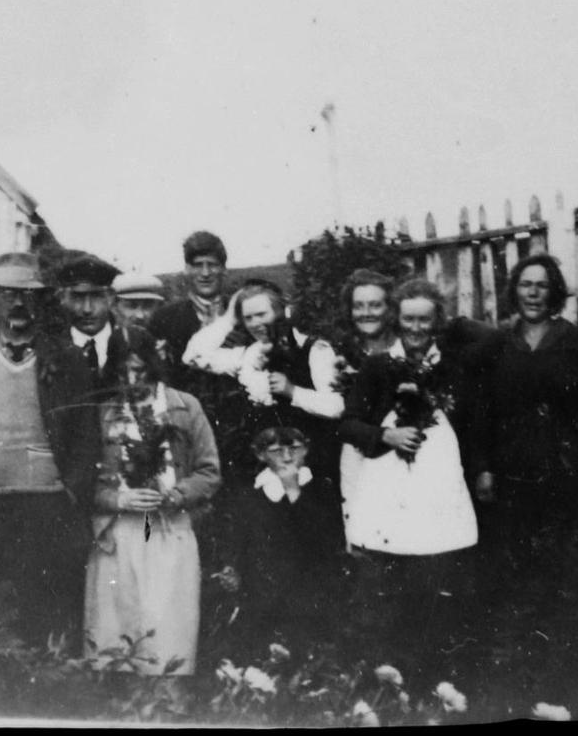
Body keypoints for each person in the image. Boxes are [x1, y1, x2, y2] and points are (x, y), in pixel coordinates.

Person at [0, 252, 103, 649]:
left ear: (40, 302)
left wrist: (70, 491)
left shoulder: (68, 358)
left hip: (42, 503)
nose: (17, 303)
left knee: (39, 604)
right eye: (7, 294)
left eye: (27, 295)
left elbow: (86, 436)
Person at [338, 278, 480, 668]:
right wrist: (386, 435)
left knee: (437, 592)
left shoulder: (453, 367)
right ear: (396, 320)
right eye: (408, 319)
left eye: (424, 320)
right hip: (389, 493)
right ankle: (388, 679)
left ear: (437, 322)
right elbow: (348, 425)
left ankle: (435, 677)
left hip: (438, 493)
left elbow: (473, 426)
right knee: (387, 599)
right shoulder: (378, 366)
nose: (416, 328)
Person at [470, 255, 578, 589]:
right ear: (515, 290)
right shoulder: (498, 344)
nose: (533, 293)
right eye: (526, 285)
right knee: (516, 562)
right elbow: (483, 411)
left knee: (564, 563)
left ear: (554, 292)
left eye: (541, 285)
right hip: (512, 466)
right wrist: (483, 467)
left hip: (565, 466)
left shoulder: (577, 343)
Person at [84, 328, 221, 676]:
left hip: (170, 531)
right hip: (118, 535)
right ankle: (118, 703)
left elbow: (209, 472)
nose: (132, 380)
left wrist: (176, 495)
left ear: (153, 365)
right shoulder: (103, 413)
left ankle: (165, 703)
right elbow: (82, 482)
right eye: (122, 372)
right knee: (116, 632)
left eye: (140, 370)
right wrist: (119, 498)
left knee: (168, 633)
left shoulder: (184, 406)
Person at [183, 280, 343, 489]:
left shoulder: (314, 350)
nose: (255, 323)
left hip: (313, 462)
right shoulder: (249, 355)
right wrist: (229, 318)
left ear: (281, 312)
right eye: (248, 317)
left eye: (261, 314)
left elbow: (336, 406)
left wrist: (292, 391)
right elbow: (192, 356)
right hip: (264, 467)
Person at [217, 427, 346, 659]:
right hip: (264, 592)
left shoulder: (321, 488)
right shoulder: (252, 494)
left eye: (294, 449)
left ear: (306, 449)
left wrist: (293, 489)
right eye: (276, 451)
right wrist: (232, 568)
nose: (287, 457)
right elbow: (238, 539)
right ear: (260, 454)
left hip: (310, 591)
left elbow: (324, 540)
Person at [147, 231, 237, 432]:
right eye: (197, 265)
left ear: (224, 269)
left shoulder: (242, 312)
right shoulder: (164, 318)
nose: (205, 273)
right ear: (187, 269)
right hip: (184, 423)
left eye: (212, 264)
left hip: (236, 423)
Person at [57, 253, 131, 396]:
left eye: (97, 296)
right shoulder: (50, 347)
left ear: (111, 297)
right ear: (63, 298)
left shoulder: (132, 342)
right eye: (78, 297)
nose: (87, 309)